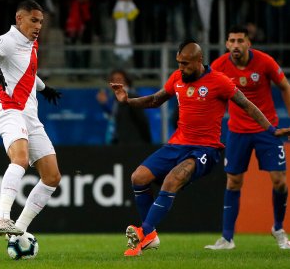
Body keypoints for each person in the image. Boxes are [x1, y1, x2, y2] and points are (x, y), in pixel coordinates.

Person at [109, 39, 290, 257]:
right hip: (177, 144)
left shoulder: (219, 81)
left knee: (172, 179)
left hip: (206, 149)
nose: (181, 68)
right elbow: (156, 100)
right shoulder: (177, 77)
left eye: (185, 63)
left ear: (199, 60)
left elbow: (247, 105)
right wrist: (128, 101)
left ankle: (143, 233)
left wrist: (271, 130)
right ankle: (150, 235)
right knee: (138, 177)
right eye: (178, 63)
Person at [0, 0, 62, 237]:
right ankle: (2, 218)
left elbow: (27, 73)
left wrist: (44, 88)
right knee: (20, 160)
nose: (38, 26)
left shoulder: (31, 43)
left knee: (52, 176)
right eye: (34, 20)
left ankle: (18, 230)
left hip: (31, 117)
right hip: (10, 111)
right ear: (19, 19)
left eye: (41, 21)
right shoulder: (9, 40)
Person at [205, 25, 290, 250]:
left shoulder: (264, 62)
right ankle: (226, 238)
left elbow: (285, 86)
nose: (235, 45)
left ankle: (278, 229)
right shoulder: (219, 66)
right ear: (226, 44)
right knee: (234, 181)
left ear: (248, 43)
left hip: (267, 129)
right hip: (237, 131)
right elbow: (211, 95)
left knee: (280, 181)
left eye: (240, 41)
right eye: (231, 41)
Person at [97, 69, 151, 145]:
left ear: (126, 81)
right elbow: (116, 118)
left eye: (119, 79)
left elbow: (143, 121)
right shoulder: (115, 100)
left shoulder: (132, 98)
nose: (116, 83)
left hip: (133, 145)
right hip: (119, 144)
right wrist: (104, 104)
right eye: (113, 80)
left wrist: (146, 143)